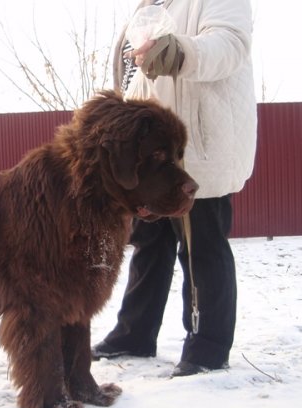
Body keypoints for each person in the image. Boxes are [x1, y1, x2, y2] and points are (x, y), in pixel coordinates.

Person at [92, 0, 257, 376]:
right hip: (154, 159)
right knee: (148, 245)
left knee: (201, 246)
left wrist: (181, 51)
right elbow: (133, 75)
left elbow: (230, 45)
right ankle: (134, 335)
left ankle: (207, 349)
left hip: (198, 145)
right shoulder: (147, 6)